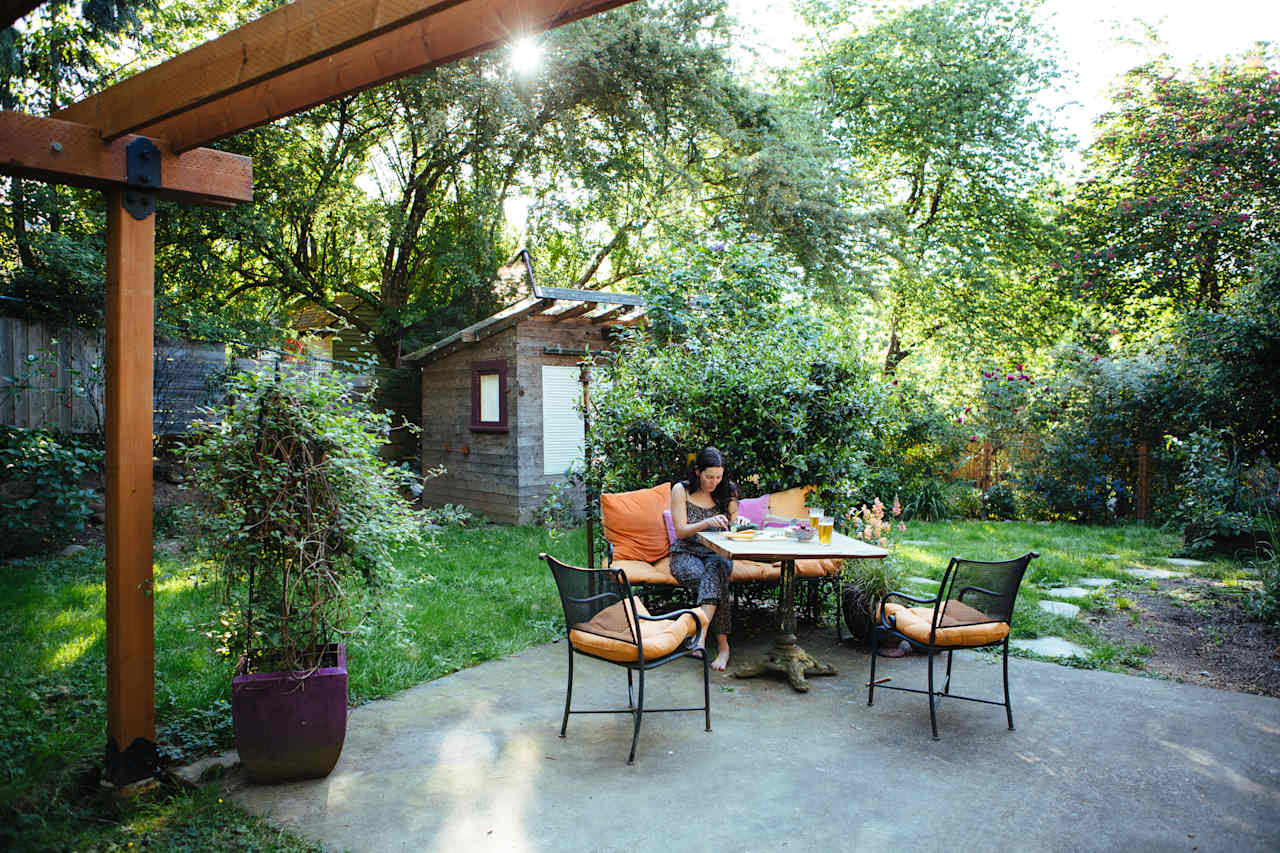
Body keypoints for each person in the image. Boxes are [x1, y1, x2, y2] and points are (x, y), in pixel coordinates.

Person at [669, 447, 738, 671]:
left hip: (718, 554)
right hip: (686, 552)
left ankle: (700, 637)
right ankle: (723, 645)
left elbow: (734, 529)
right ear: (698, 472)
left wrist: (739, 524)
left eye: (718, 477)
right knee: (715, 582)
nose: (714, 482)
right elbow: (680, 531)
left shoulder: (727, 490)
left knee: (716, 569)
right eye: (709, 477)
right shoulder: (682, 490)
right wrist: (707, 523)